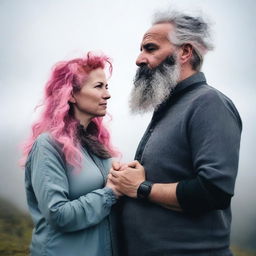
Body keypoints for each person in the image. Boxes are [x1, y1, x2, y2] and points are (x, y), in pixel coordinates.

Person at [109, 10, 242, 256]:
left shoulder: (209, 102)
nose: (139, 59)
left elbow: (213, 192)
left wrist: (142, 188)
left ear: (184, 52)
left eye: (150, 48)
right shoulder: (170, 106)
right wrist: (128, 178)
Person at [21, 52, 121, 256]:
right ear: (72, 94)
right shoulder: (48, 145)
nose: (107, 94)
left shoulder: (97, 145)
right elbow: (58, 215)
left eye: (107, 86)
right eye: (98, 86)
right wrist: (110, 193)